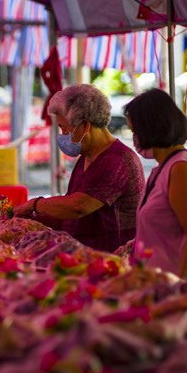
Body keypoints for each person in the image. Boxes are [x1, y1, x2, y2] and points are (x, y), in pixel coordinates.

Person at [13, 84, 145, 253]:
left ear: (85, 126)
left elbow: (77, 207)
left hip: (110, 260)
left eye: (63, 128)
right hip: (82, 256)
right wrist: (31, 220)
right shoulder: (87, 156)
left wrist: (35, 205)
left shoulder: (116, 160)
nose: (62, 135)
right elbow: (68, 215)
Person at [125, 89, 187, 288]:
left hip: (178, 294)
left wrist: (176, 288)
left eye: (135, 132)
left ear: (150, 128)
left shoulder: (181, 168)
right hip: (155, 285)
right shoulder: (163, 168)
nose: (134, 139)